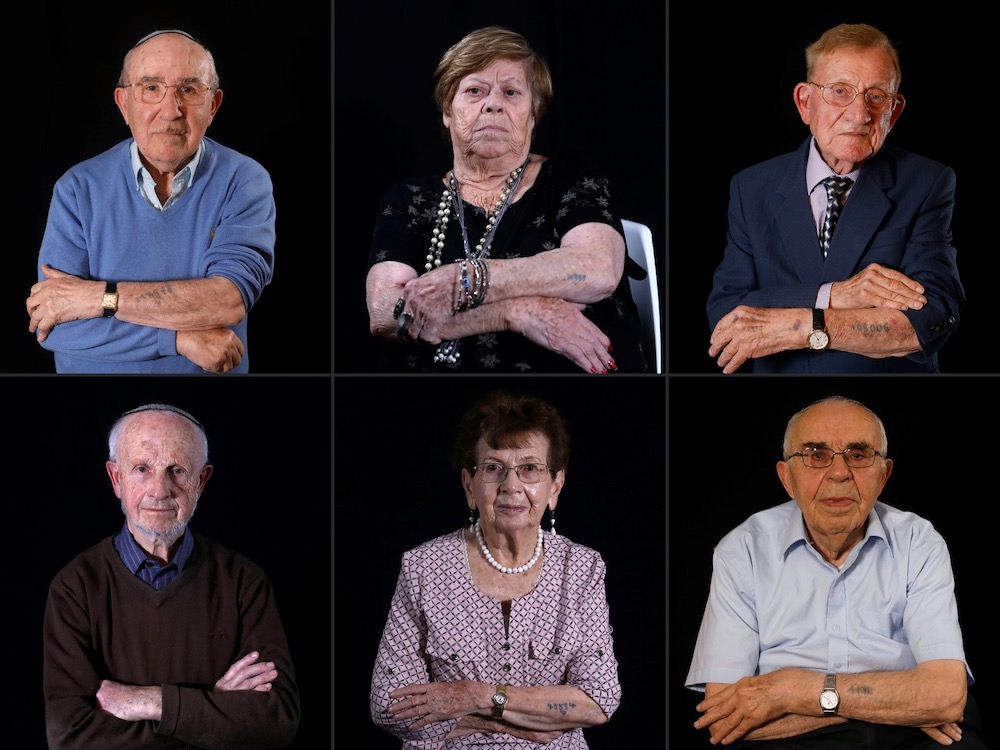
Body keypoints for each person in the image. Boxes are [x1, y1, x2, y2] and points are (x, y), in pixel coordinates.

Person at [684, 396, 987, 748]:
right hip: (839, 734)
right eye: (816, 454)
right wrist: (896, 704)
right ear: (787, 477)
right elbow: (724, 719)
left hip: (908, 739)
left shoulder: (919, 541)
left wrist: (790, 690)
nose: (840, 473)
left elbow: (946, 697)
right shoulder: (742, 550)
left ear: (883, 475)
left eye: (858, 455)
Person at [365, 26, 648, 373]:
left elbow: (598, 269)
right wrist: (515, 313)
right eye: (474, 91)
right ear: (448, 112)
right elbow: (384, 313)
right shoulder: (408, 198)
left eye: (511, 92)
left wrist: (466, 280)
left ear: (533, 114)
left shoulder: (569, 176)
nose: (493, 104)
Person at [706, 23, 964, 373]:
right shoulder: (751, 187)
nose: (860, 115)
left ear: (894, 110)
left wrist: (800, 325)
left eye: (876, 96)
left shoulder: (928, 182)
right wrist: (837, 296)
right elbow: (726, 314)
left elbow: (933, 317)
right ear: (805, 102)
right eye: (839, 91)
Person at [370, 391, 622, 747]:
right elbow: (388, 705)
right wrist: (513, 723)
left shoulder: (582, 568)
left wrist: (480, 696)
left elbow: (599, 700)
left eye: (530, 469)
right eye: (492, 468)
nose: (511, 486)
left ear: (555, 487)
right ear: (469, 486)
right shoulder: (424, 567)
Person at [43, 403, 300, 748]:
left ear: (201, 480)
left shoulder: (243, 581)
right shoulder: (75, 587)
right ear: (116, 478)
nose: (160, 490)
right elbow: (70, 737)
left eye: (177, 470)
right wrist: (209, 708)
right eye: (142, 469)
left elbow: (277, 720)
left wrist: (149, 702)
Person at [26, 29, 275, 373]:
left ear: (213, 105)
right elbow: (52, 325)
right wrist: (178, 340)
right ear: (124, 104)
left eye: (188, 90)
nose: (170, 110)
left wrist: (95, 298)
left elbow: (227, 300)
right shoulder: (77, 188)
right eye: (151, 88)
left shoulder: (245, 180)